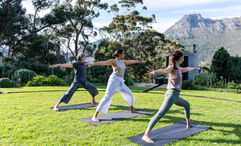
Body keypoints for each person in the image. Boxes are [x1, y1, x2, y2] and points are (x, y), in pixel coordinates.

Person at [142, 50, 200, 143]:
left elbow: (187, 69)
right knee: (160, 114)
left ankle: (188, 124)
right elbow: (164, 70)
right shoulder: (172, 67)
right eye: (183, 56)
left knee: (187, 105)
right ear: (180, 58)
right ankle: (146, 135)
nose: (183, 58)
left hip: (176, 96)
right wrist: (154, 72)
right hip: (171, 95)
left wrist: (194, 68)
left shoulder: (178, 68)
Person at [91, 48, 145, 122]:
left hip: (121, 82)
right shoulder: (113, 61)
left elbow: (131, 61)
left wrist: (139, 61)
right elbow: (103, 62)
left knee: (129, 94)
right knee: (107, 97)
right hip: (114, 81)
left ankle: (132, 109)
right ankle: (95, 116)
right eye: (123, 53)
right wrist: (92, 63)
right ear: (119, 54)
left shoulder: (123, 61)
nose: (124, 54)